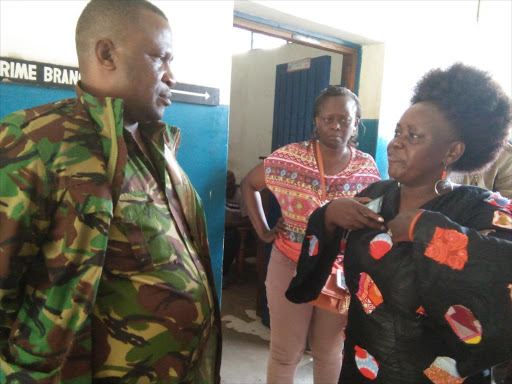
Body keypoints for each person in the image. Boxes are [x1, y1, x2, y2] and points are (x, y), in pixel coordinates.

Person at [0, 1, 221, 383]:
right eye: (160, 58)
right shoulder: (33, 142)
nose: (172, 75)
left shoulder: (160, 146)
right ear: (106, 54)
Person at [286, 63, 512, 383]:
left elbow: (503, 268)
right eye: (397, 132)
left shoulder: (481, 208)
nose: (396, 143)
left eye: (413, 136)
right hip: (363, 366)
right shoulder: (376, 196)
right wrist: (329, 217)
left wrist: (426, 231)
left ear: (452, 151)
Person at [242, 86, 380, 384]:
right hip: (290, 264)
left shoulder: (367, 167)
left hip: (338, 272)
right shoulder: (290, 157)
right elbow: (249, 185)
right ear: (316, 121)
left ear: (356, 123)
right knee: (285, 352)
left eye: (344, 119)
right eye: (327, 118)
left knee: (329, 352)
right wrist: (265, 232)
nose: (335, 126)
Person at [223, 170, 250, 282]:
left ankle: (223, 274)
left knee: (231, 237)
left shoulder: (241, 196)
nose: (228, 189)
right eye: (225, 185)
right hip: (219, 228)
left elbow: (248, 220)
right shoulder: (217, 194)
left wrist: (230, 224)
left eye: (230, 185)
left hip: (236, 230)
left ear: (234, 183)